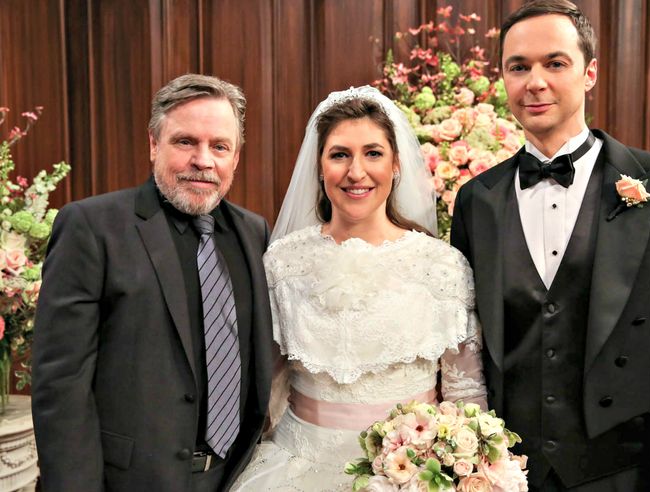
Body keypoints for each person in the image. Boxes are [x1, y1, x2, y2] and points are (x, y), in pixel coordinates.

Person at [451, 1, 650, 490]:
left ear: (589, 72)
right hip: (504, 472)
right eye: (519, 67)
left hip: (620, 475)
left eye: (555, 63)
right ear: (503, 79)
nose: (535, 82)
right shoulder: (476, 201)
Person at [230, 86, 487, 491]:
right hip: (295, 470)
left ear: (396, 163)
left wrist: (471, 469)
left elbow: (466, 394)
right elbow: (264, 386)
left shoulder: (442, 266)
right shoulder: (282, 263)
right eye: (339, 155)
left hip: (412, 479)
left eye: (373, 153)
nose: (356, 172)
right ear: (319, 166)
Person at [32, 74, 273, 491]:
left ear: (235, 158)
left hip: (234, 477)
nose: (203, 160)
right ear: (153, 144)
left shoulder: (254, 234)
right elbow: (61, 383)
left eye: (219, 146)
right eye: (185, 142)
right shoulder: (91, 226)